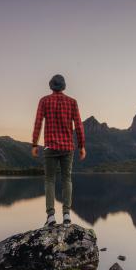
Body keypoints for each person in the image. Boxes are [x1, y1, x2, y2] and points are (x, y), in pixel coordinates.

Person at [32, 74, 86, 226]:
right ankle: (67, 214)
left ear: (51, 86)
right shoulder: (72, 102)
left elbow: (38, 123)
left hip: (50, 147)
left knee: (50, 180)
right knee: (66, 179)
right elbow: (79, 126)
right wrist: (82, 146)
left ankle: (51, 217)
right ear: (64, 86)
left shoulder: (44, 101)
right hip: (68, 147)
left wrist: (34, 144)